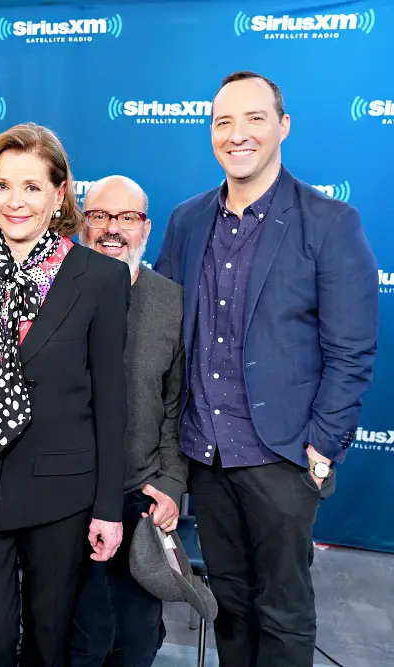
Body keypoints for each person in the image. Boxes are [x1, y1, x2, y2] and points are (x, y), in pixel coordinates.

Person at [154, 71, 379, 667]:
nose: (238, 134)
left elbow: (352, 349)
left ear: (283, 126)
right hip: (206, 455)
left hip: (283, 457)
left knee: (283, 610)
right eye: (224, 122)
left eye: (254, 118)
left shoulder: (330, 222)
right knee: (228, 604)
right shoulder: (186, 220)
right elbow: (167, 337)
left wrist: (322, 446)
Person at [0, 123, 129, 667]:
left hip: (62, 494)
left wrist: (108, 507)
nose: (15, 201)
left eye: (30, 186)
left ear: (59, 193)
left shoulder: (100, 277)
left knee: (49, 641)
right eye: (2, 186)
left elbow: (112, 399)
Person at [69, 176, 188, 667]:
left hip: (139, 496)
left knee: (136, 643)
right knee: (80, 640)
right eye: (99, 216)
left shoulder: (172, 301)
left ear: (146, 228)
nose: (112, 229)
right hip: (68, 495)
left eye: (127, 218)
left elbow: (177, 402)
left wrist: (171, 481)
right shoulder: (55, 291)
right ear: (80, 223)